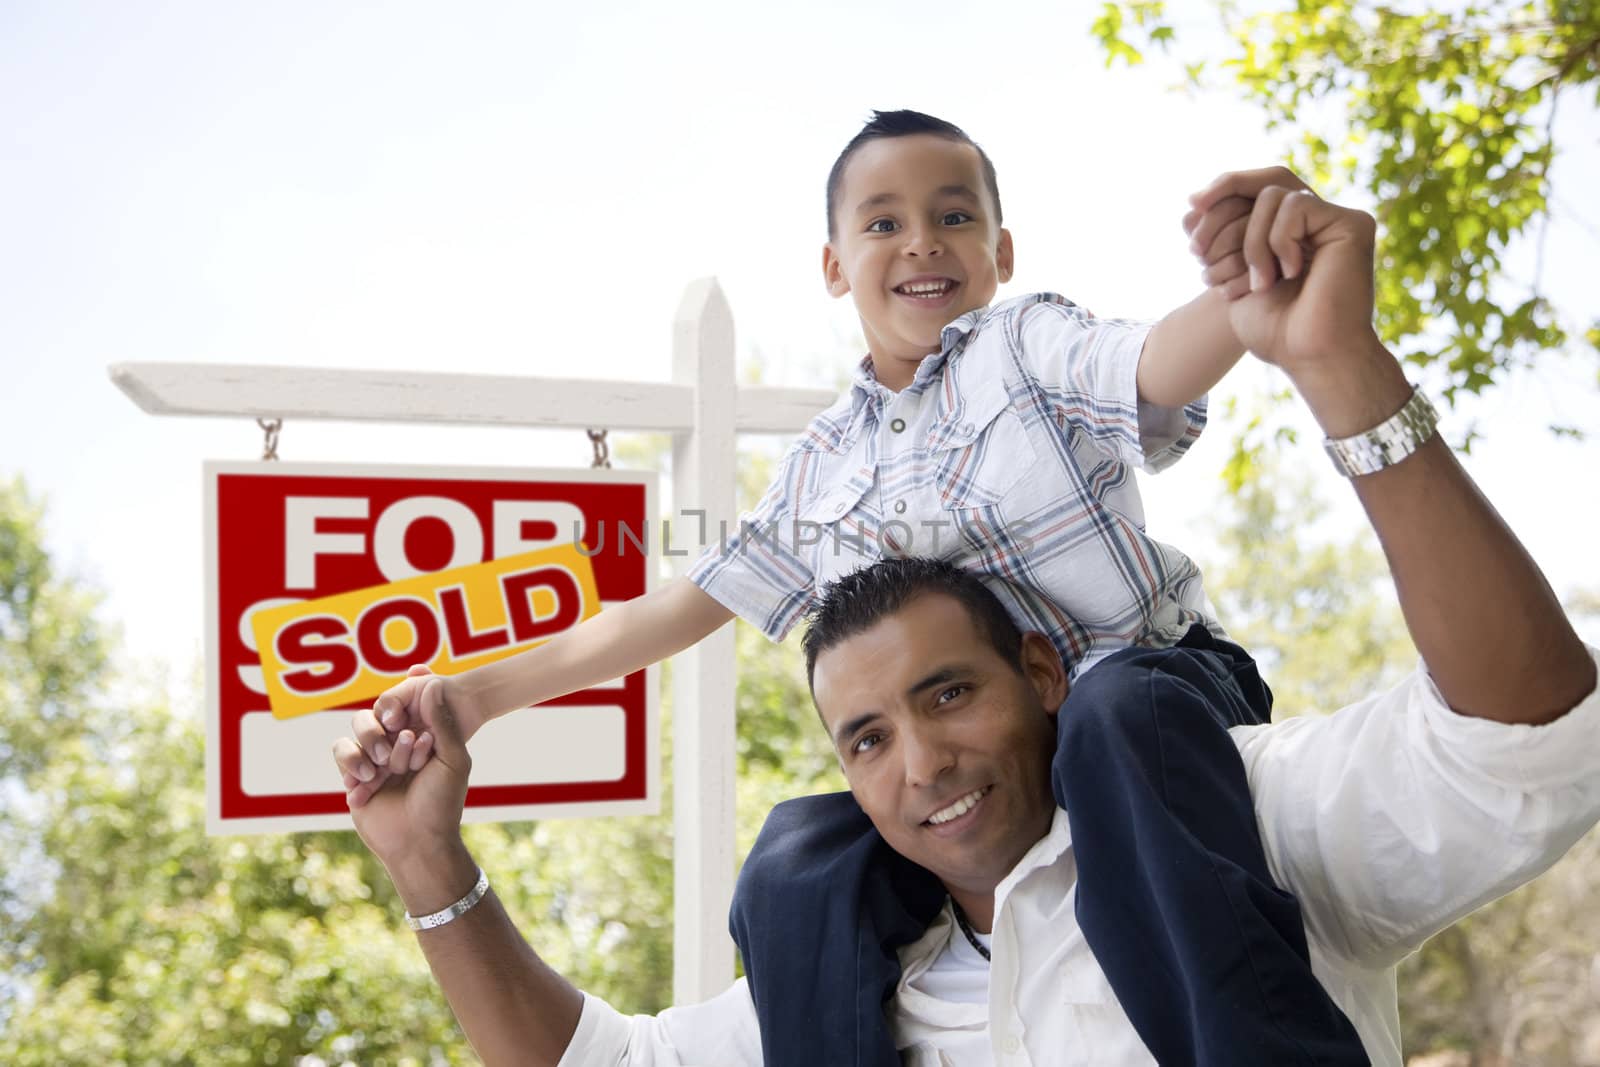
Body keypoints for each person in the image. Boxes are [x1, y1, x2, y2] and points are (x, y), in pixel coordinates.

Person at [335, 169, 1600, 1065]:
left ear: (999, 251)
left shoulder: (1024, 355)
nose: (920, 240)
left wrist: (1279, 320)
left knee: (1119, 717)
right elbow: (685, 601)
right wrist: (470, 714)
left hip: (1159, 705)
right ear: (834, 266)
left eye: (953, 215)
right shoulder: (827, 471)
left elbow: (1526, 743)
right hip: (1058, 730)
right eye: (881, 221)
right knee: (791, 855)